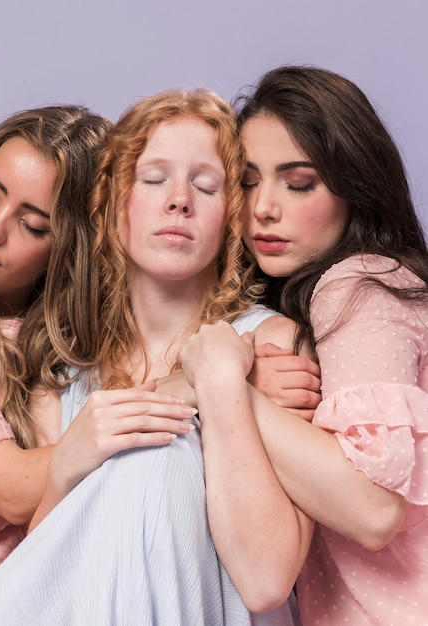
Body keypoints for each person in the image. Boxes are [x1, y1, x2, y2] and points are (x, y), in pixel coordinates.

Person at [0, 88, 318, 626]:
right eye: (152, 179)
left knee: (153, 455)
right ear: (112, 205)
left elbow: (265, 583)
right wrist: (64, 468)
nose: (178, 200)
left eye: (206, 186)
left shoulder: (272, 344)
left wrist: (222, 386)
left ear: (232, 217)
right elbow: (48, 573)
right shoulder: (61, 373)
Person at [177, 65, 428, 625]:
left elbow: (373, 509)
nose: (263, 206)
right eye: (246, 180)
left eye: (299, 183)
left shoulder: (358, 284)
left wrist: (225, 386)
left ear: (355, 189)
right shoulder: (299, 304)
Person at [0, 105, 111, 624]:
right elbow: (12, 492)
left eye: (32, 225)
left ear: (69, 250)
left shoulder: (77, 342)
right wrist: (188, 383)